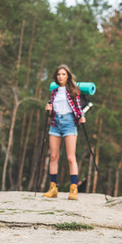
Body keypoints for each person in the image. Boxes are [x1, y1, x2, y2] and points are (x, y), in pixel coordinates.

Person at [42, 64, 86, 200]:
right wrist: (49, 109)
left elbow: (78, 107)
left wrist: (82, 117)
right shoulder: (54, 92)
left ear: (68, 76)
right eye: (59, 74)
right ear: (56, 76)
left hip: (69, 124)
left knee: (70, 157)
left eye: (63, 74)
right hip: (55, 123)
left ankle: (73, 189)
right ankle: (53, 188)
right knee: (53, 156)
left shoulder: (74, 90)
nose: (61, 77)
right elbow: (52, 112)